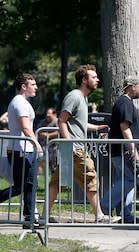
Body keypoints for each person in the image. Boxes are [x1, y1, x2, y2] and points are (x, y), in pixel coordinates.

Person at [46, 65, 116, 223]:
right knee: (90, 177)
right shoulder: (75, 96)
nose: (97, 79)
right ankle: (100, 216)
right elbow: (62, 121)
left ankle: (44, 216)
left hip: (71, 149)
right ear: (84, 80)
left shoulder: (83, 98)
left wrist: (97, 127)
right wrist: (69, 144)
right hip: (75, 149)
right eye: (94, 77)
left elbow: (78, 123)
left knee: (58, 183)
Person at [0, 73, 43, 229]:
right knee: (25, 185)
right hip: (22, 151)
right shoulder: (20, 103)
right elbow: (25, 127)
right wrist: (36, 145)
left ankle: (29, 218)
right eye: (33, 84)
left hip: (21, 150)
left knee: (27, 185)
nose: (36, 87)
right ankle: (30, 218)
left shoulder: (20, 102)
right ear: (23, 86)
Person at [100, 76, 139, 224]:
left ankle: (125, 215)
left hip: (124, 150)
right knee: (131, 179)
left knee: (124, 180)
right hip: (123, 151)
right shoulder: (124, 103)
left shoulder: (126, 103)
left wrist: (138, 149)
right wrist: (132, 147)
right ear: (132, 86)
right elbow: (124, 127)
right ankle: (104, 206)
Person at [36, 107, 59, 172]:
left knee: (54, 165)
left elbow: (59, 131)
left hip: (55, 146)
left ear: (54, 114)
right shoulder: (43, 122)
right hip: (45, 146)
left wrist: (48, 135)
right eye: (47, 114)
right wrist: (42, 134)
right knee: (43, 163)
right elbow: (38, 131)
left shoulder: (57, 121)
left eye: (49, 114)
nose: (47, 115)